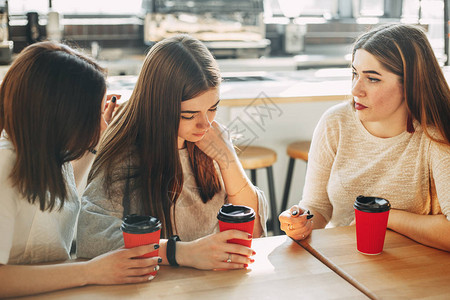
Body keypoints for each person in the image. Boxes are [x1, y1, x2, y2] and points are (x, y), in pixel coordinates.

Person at [77, 35, 268, 269]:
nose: (205, 124)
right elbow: (91, 238)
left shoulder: (213, 138)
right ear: (159, 107)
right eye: (189, 115)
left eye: (213, 108)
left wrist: (228, 160)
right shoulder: (126, 154)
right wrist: (180, 252)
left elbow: (255, 233)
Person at [0, 42, 162, 298]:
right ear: (64, 116)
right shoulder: (3, 166)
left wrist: (94, 143)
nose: (102, 122)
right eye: (96, 113)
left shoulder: (47, 151)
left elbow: (55, 201)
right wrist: (91, 271)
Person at [279, 24, 450, 251]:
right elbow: (317, 206)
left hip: (413, 270)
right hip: (344, 262)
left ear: (410, 83)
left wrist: (385, 217)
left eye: (372, 78)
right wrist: (301, 222)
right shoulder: (335, 123)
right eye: (355, 73)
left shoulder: (434, 135)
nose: (355, 89)